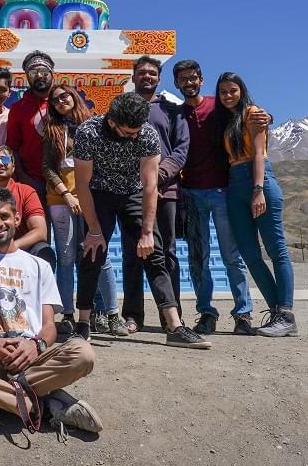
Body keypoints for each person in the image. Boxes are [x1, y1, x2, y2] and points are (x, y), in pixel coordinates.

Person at [0, 187, 102, 436]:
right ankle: (42, 405)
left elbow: (49, 327)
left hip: (32, 355)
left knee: (83, 354)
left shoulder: (39, 267)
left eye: (4, 216)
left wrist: (36, 345)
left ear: (16, 219)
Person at [74, 92, 210, 349]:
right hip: (99, 193)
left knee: (154, 252)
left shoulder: (147, 134)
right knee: (92, 252)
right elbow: (82, 183)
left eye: (137, 131)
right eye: (128, 132)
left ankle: (174, 326)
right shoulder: (88, 132)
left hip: (134, 192)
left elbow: (150, 185)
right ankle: (82, 324)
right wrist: (93, 230)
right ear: (113, 122)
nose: (134, 136)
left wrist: (147, 232)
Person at [174, 60, 260, 336]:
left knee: (231, 256)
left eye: (193, 78)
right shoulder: (176, 115)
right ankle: (206, 313)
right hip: (191, 194)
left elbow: (244, 115)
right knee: (198, 258)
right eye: (183, 79)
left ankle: (243, 315)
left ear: (201, 79)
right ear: (176, 84)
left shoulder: (217, 107)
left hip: (223, 191)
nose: (189, 83)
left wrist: (264, 116)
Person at [214, 73, 298, 337]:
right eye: (223, 92)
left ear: (242, 91)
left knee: (276, 250)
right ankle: (277, 314)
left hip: (258, 182)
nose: (228, 95)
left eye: (233, 90)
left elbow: (259, 154)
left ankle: (286, 314)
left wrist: (258, 190)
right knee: (250, 255)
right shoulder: (226, 120)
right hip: (234, 186)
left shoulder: (253, 114)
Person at [41, 84, 123, 337]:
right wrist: (66, 194)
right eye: (55, 100)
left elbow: (107, 162)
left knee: (100, 256)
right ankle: (67, 315)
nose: (60, 101)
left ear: (74, 96)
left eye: (64, 96)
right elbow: (47, 166)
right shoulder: (52, 130)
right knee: (66, 259)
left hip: (92, 199)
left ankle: (112, 314)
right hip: (59, 200)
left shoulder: (97, 126)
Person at [120, 56, 189, 334]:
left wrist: (157, 177)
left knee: (167, 253)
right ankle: (133, 315)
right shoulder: (122, 107)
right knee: (132, 252)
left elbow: (181, 149)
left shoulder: (172, 111)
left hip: (166, 191)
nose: (147, 77)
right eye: (142, 73)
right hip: (131, 192)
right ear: (133, 77)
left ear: (158, 79)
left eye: (152, 73)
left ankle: (171, 316)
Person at [8, 51, 55, 198]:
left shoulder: (65, 101)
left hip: (68, 181)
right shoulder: (18, 108)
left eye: (43, 71)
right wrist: (23, 177)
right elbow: (13, 148)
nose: (39, 75)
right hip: (33, 183)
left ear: (53, 73)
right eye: (33, 72)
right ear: (27, 76)